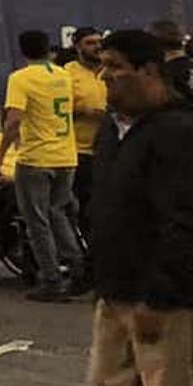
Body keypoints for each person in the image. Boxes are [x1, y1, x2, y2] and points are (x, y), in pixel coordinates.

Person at [85, 28, 193, 386]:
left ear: (148, 71)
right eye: (102, 65)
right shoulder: (112, 130)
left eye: (116, 67)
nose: (105, 76)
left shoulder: (183, 132)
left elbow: (188, 223)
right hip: (115, 289)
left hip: (167, 300)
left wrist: (158, 298)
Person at [0, 29, 85, 301]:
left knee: (37, 220)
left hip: (36, 156)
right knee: (58, 212)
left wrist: (0, 155)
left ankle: (52, 279)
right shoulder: (63, 75)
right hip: (66, 154)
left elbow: (13, 121)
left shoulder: (21, 78)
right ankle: (79, 264)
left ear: (22, 51)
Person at [67, 27, 108, 257]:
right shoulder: (67, 73)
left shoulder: (109, 71)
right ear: (78, 46)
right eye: (90, 43)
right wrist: (83, 109)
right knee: (85, 210)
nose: (97, 46)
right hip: (79, 151)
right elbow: (58, 109)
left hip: (108, 151)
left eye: (99, 42)